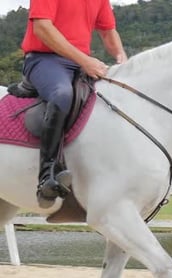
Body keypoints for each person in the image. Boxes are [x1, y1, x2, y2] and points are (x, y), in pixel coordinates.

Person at [20, 0, 128, 206]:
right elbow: (42, 28)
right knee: (62, 94)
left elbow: (108, 31)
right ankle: (47, 175)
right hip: (44, 60)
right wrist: (85, 61)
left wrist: (123, 60)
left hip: (78, 63)